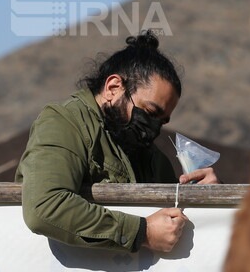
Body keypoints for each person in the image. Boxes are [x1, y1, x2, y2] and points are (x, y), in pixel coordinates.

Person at [14, 30, 218, 254]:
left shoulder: (150, 156)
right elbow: (45, 207)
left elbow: (174, 221)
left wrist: (206, 197)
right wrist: (143, 232)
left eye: (162, 121)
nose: (152, 128)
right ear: (113, 88)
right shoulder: (65, 123)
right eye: (149, 112)